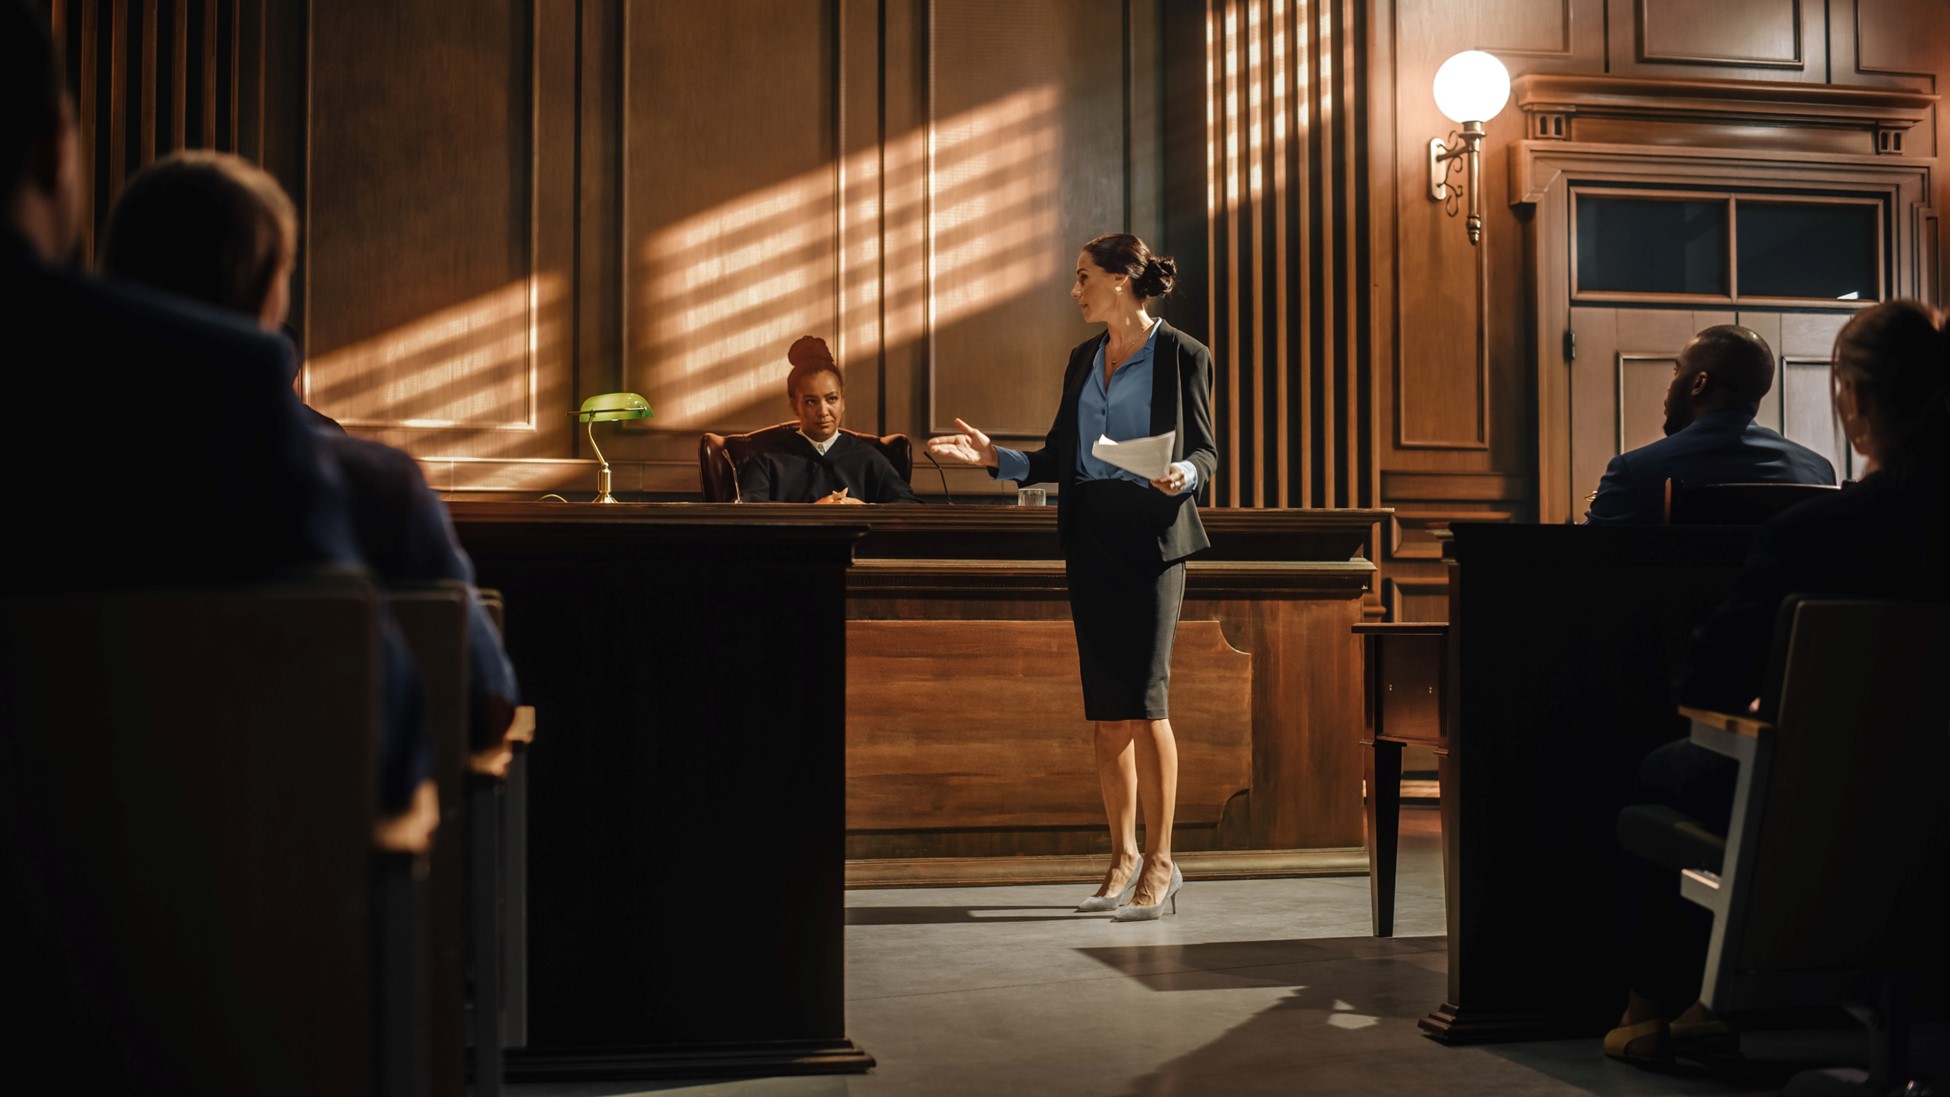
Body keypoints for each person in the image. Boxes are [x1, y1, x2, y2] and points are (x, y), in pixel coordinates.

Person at [1605, 298, 1950, 1064]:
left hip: (1829, 798)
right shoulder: (1821, 486)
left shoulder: (1821, 532)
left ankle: (1651, 1009)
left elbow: (1704, 685)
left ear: (1853, 399)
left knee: (1661, 773)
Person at [99, 149, 521, 772]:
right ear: (270, 302)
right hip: (327, 853)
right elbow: (485, 702)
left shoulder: (48, 477)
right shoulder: (375, 490)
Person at [927, 233, 1216, 921]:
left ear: (1122, 279)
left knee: (1147, 703)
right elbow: (1059, 457)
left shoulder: (1183, 354)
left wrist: (1186, 473)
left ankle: (1162, 861)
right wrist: (994, 457)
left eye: (1084, 276)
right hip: (1090, 543)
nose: (1075, 289)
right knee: (1107, 713)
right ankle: (1119, 858)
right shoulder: (1082, 359)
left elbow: (1204, 446)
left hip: (1152, 537)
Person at [1583, 324, 1835, 524]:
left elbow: (1588, 563)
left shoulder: (1634, 472)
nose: (1670, 385)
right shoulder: (1818, 472)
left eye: (1676, 372)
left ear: (1699, 384)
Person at [736, 335, 920, 504]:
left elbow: (909, 506)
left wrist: (866, 510)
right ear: (794, 405)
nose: (823, 412)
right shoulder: (768, 460)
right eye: (810, 401)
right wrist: (810, 514)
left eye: (832, 399)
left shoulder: (868, 457)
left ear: (843, 401)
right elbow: (748, 514)